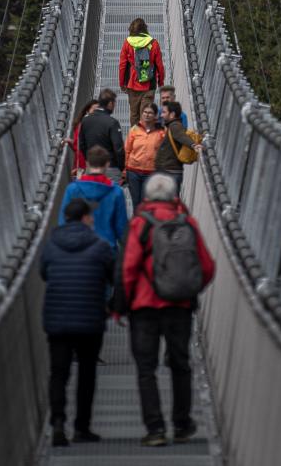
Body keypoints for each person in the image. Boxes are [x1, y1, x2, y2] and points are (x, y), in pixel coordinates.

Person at [121, 175, 215, 447]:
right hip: (180, 307)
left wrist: (123, 304)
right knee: (180, 364)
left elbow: (128, 268)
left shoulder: (140, 223)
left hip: (144, 306)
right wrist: (188, 290)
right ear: (174, 196)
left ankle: (156, 429)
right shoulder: (188, 223)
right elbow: (207, 266)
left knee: (146, 368)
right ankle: (182, 424)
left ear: (148, 197)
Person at [41, 198, 114, 446]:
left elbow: (43, 273)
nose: (92, 219)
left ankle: (58, 422)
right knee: (86, 373)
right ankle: (82, 427)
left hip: (57, 318)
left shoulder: (51, 244)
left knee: (58, 373)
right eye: (90, 216)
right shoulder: (100, 245)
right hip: (90, 319)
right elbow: (113, 275)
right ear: (85, 218)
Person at [60, 146, 129, 251]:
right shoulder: (116, 191)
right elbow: (121, 227)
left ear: (87, 163)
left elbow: (63, 220)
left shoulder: (73, 189)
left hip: (79, 247)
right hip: (107, 248)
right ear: (107, 164)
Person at [119, 18, 164, 128]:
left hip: (132, 84)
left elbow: (122, 65)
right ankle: (145, 138)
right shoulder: (153, 43)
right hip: (149, 84)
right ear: (145, 29)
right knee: (146, 115)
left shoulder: (127, 43)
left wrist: (122, 83)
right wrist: (161, 82)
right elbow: (159, 66)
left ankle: (135, 139)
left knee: (134, 114)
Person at [78, 89, 125, 183]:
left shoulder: (86, 120)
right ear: (110, 104)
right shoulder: (112, 123)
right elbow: (118, 148)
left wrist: (89, 160)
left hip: (92, 167)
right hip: (111, 168)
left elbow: (82, 144)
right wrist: (121, 167)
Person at [124, 102, 163, 210]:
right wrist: (124, 170)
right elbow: (127, 150)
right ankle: (137, 225)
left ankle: (144, 224)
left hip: (151, 172)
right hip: (133, 172)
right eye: (145, 112)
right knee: (136, 202)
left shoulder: (161, 132)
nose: (146, 115)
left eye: (150, 113)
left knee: (146, 203)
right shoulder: (134, 130)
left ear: (155, 116)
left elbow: (164, 153)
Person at [154, 101, 200, 193]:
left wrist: (193, 145)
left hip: (170, 173)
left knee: (169, 203)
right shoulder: (173, 126)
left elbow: (182, 136)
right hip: (170, 172)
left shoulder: (175, 126)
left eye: (164, 112)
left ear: (172, 114)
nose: (161, 115)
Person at [65, 99, 99, 176]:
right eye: (94, 110)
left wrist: (72, 142)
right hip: (85, 165)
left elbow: (78, 145)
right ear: (87, 111)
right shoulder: (84, 125)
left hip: (86, 164)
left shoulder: (82, 123)